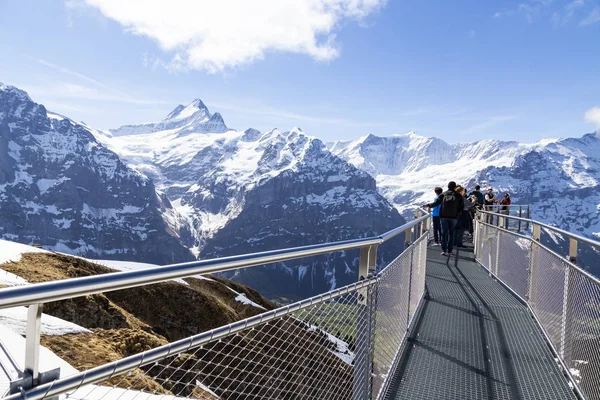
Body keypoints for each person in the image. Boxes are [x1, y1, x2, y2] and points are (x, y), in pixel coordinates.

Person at [425, 181, 464, 256]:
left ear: (448, 186)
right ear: (455, 187)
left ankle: (443, 250)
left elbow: (436, 203)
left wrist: (429, 205)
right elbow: (461, 207)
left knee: (444, 233)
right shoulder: (458, 195)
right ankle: (450, 250)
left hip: (443, 217)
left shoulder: (443, 194)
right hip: (453, 217)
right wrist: (457, 215)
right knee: (451, 233)